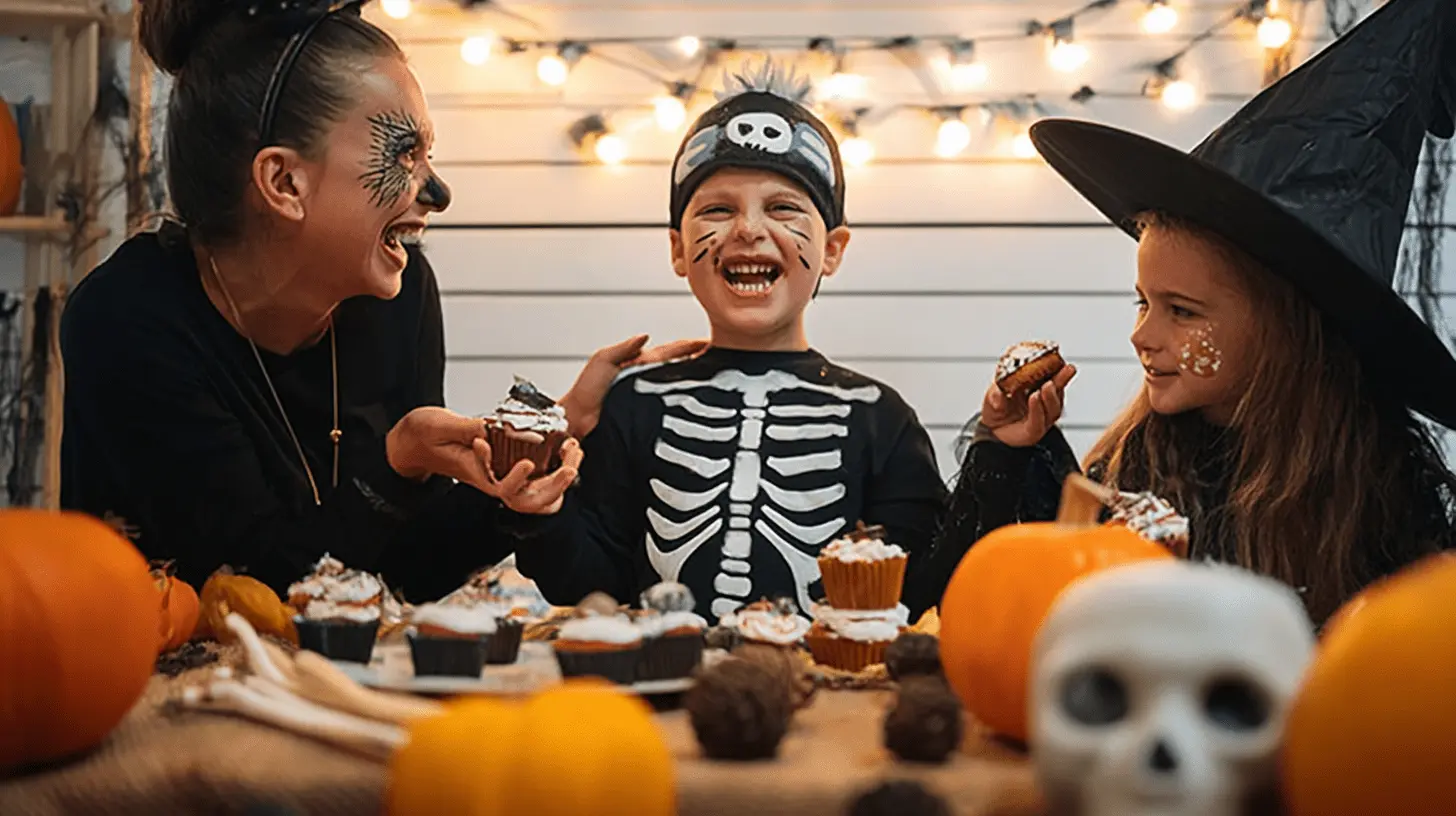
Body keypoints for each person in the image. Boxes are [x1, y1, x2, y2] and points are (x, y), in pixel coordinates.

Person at [59, 0, 701, 600]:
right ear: (284, 181)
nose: (438, 192)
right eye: (404, 155)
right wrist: (398, 463)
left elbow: (406, 572)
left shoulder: (401, 297)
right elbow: (252, 586)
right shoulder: (127, 320)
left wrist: (548, 437)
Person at [928, 0, 1456, 624]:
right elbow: (983, 609)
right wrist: (1003, 453)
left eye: (1181, 311)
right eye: (1143, 302)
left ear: (1286, 332)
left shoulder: (1384, 495)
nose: (1141, 335)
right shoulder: (1134, 469)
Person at [506, 61, 948, 621]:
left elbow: (920, 584)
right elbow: (588, 583)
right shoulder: (634, 403)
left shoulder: (880, 416)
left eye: (783, 208)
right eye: (718, 209)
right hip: (664, 672)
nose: (748, 230)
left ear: (832, 250)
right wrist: (540, 508)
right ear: (677, 249)